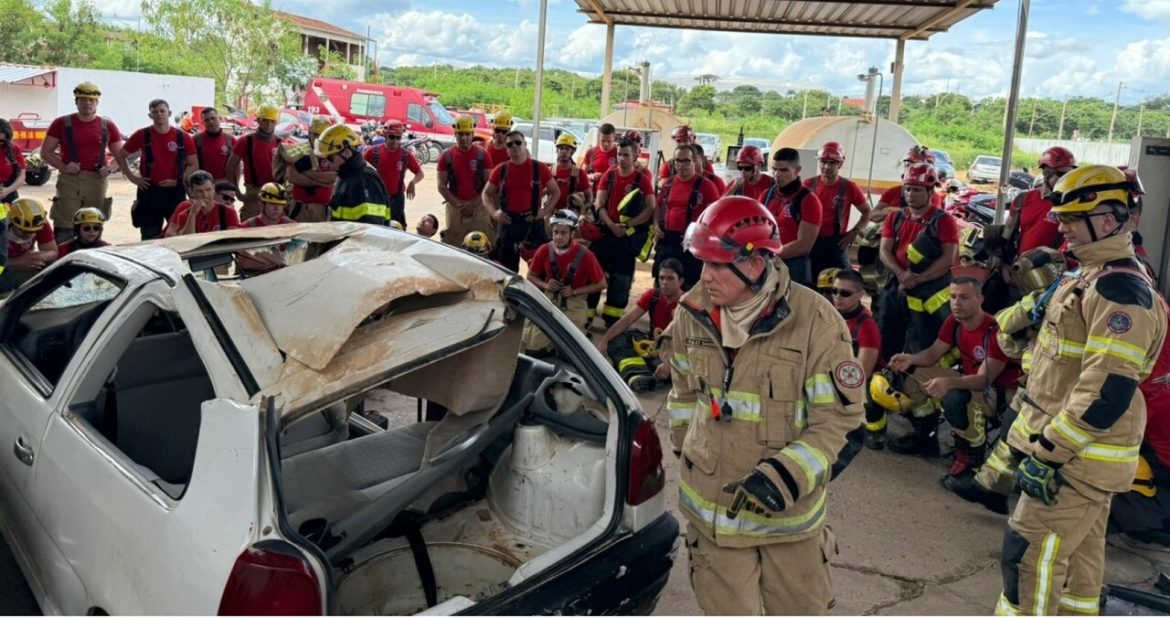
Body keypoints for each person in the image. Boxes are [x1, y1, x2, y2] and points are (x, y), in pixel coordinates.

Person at [661, 195, 863, 615]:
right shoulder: (691, 313)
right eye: (703, 262)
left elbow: (840, 421)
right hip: (713, 522)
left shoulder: (817, 323)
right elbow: (682, 395)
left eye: (717, 264)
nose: (705, 276)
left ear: (754, 264)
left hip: (789, 527)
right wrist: (689, 451)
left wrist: (784, 477)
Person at [991, 165, 1167, 616]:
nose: (1061, 227)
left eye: (1072, 218)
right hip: (1080, 457)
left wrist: (1048, 453)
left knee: (1026, 555)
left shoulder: (1120, 291)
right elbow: (1053, 361)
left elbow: (1105, 392)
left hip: (1076, 458)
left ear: (1107, 220)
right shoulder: (1084, 277)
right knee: (1079, 569)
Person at [885, 277, 1021, 469]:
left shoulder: (994, 331)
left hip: (999, 395)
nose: (956, 302)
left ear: (979, 299)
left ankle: (970, 456)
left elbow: (984, 380)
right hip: (971, 382)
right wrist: (909, 359)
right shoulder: (955, 322)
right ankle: (925, 437)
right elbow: (932, 354)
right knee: (908, 373)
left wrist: (948, 382)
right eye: (953, 296)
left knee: (956, 396)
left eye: (964, 297)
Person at [877, 162, 958, 362]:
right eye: (908, 189)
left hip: (929, 291)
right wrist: (901, 274)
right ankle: (885, 375)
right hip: (898, 284)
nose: (910, 194)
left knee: (923, 338)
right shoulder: (895, 217)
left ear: (930, 191)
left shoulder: (944, 221)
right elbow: (884, 251)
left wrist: (918, 279)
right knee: (886, 329)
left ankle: (914, 380)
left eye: (917, 190)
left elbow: (948, 258)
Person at [40, 82, 128, 243]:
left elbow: (121, 155)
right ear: (76, 101)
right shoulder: (61, 123)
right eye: (83, 99)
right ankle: (63, 261)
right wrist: (63, 166)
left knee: (92, 224)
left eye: (91, 100)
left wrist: (109, 169)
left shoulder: (107, 125)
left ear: (97, 103)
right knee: (65, 223)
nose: (87, 103)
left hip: (96, 180)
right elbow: (45, 152)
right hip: (69, 180)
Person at [588, 137, 656, 328]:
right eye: (619, 154)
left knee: (621, 279)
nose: (622, 158)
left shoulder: (642, 180)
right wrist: (612, 225)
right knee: (595, 274)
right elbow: (599, 204)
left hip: (627, 238)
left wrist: (628, 226)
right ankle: (587, 316)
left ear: (635, 156)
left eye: (626, 155)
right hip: (606, 234)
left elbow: (650, 208)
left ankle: (612, 321)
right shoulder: (609, 176)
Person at [522, 209, 606, 355]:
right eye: (555, 232)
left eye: (563, 233)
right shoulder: (544, 250)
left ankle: (573, 339)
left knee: (570, 355)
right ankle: (549, 344)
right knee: (533, 349)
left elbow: (601, 284)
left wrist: (574, 291)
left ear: (572, 234)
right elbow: (531, 276)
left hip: (575, 302)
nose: (558, 237)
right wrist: (546, 285)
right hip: (549, 299)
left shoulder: (585, 255)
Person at [594, 257, 683, 392]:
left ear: (681, 281)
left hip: (676, 349)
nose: (664, 282)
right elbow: (627, 320)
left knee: (680, 366)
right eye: (662, 278)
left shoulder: (687, 304)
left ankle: (641, 373)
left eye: (670, 278)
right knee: (616, 339)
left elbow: (690, 344)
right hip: (654, 344)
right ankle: (638, 375)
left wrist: (670, 362)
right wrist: (604, 341)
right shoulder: (653, 296)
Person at [120, 99, 198, 240]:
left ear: (169, 113)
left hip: (175, 192)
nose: (159, 114)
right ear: (150, 116)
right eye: (154, 112)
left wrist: (178, 180)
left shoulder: (183, 137)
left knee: (178, 235)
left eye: (162, 111)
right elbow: (120, 155)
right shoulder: (142, 135)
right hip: (149, 190)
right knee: (149, 235)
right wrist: (132, 177)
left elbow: (194, 165)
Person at [483, 130, 559, 271]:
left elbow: (555, 192)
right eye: (510, 144)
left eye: (518, 142)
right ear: (506, 149)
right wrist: (494, 212)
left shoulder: (539, 167)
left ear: (525, 144)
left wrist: (543, 212)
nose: (514, 146)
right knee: (506, 270)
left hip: (533, 222)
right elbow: (486, 194)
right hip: (508, 223)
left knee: (540, 268)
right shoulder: (501, 170)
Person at [654, 144, 720, 288]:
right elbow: (658, 206)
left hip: (692, 246)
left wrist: (698, 233)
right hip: (668, 242)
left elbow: (715, 216)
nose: (681, 165)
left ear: (695, 162)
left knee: (689, 285)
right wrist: (655, 225)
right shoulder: (668, 184)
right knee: (662, 284)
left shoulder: (706, 186)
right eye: (678, 161)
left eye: (686, 161)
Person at [805, 141, 871, 276]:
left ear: (840, 164)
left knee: (846, 279)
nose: (827, 167)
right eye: (823, 162)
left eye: (832, 163)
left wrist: (854, 232)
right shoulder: (808, 185)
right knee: (808, 280)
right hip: (810, 242)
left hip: (836, 244)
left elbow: (867, 211)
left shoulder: (849, 187)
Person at [762, 148, 822, 287]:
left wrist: (771, 254)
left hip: (794, 267)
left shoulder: (809, 201)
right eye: (774, 169)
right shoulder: (766, 195)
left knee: (794, 307)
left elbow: (804, 245)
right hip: (766, 263)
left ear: (797, 170)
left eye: (783, 170)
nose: (777, 175)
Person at [313, 124, 390, 226]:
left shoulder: (365, 180)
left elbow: (372, 227)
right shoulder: (346, 176)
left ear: (346, 152)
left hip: (355, 241)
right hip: (343, 240)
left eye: (330, 158)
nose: (328, 163)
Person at [437, 115, 491, 246]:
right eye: (460, 134)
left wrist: (473, 203)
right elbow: (441, 186)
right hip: (456, 208)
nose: (464, 138)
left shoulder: (483, 155)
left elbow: (488, 184)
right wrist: (459, 205)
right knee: (453, 243)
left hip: (479, 207)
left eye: (467, 134)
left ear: (473, 134)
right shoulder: (446, 156)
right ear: (455, 134)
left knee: (482, 243)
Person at [363, 119, 422, 228]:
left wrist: (412, 183)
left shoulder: (405, 155)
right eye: (391, 137)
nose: (394, 140)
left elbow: (420, 173)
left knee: (396, 229)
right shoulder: (372, 152)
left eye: (398, 137)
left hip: (396, 200)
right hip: (375, 199)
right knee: (375, 227)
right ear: (385, 135)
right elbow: (359, 169)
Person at [227, 104, 281, 220]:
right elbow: (230, 167)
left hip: (276, 193)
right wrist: (238, 194)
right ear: (258, 120)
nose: (269, 125)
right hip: (254, 194)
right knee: (251, 232)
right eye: (265, 121)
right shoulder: (245, 141)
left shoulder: (280, 143)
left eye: (272, 121)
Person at [281, 115, 337, 224]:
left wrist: (307, 173)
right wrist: (323, 182)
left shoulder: (334, 152)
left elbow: (334, 177)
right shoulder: (298, 149)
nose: (318, 138)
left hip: (324, 209)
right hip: (300, 207)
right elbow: (293, 177)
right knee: (297, 239)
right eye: (315, 134)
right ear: (309, 132)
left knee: (320, 240)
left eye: (322, 135)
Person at [165, 171, 241, 237]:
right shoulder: (184, 214)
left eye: (208, 190)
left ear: (213, 189)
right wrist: (192, 215)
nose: (205, 195)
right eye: (199, 191)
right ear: (191, 192)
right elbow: (187, 241)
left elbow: (233, 238)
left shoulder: (228, 212)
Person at [6, 198, 58, 287]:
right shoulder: (2, 225)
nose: (30, 235)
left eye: (35, 231)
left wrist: (43, 256)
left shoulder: (40, 223)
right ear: (12, 222)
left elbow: (53, 252)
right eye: (25, 231)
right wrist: (19, 261)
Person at [550, 133, 591, 214]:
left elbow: (589, 197)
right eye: (561, 148)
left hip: (571, 215)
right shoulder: (550, 171)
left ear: (572, 151)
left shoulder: (579, 173)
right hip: (552, 212)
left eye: (567, 149)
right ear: (557, 150)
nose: (564, 152)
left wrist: (582, 210)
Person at [193, 107, 236, 182]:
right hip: (203, 186)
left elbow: (237, 167)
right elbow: (190, 165)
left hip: (224, 185)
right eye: (207, 120)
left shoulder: (230, 140)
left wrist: (234, 187)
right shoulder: (195, 140)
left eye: (213, 118)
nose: (211, 122)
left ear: (220, 118)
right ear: (202, 123)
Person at [581, 122, 618, 189]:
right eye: (603, 141)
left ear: (614, 138)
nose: (605, 144)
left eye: (609, 141)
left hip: (612, 193)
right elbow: (581, 175)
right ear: (599, 137)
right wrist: (591, 176)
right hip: (593, 193)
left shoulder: (619, 153)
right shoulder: (591, 152)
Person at [0, 119, 27, 204]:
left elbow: (22, 174)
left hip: (8, 195)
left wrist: (8, 190)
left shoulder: (14, 149)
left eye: (1, 141)